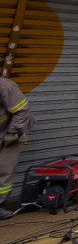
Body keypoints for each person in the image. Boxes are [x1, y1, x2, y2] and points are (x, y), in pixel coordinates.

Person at [0, 77, 34, 219]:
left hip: (11, 131)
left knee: (4, 169)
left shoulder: (6, 87)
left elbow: (22, 110)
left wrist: (12, 133)